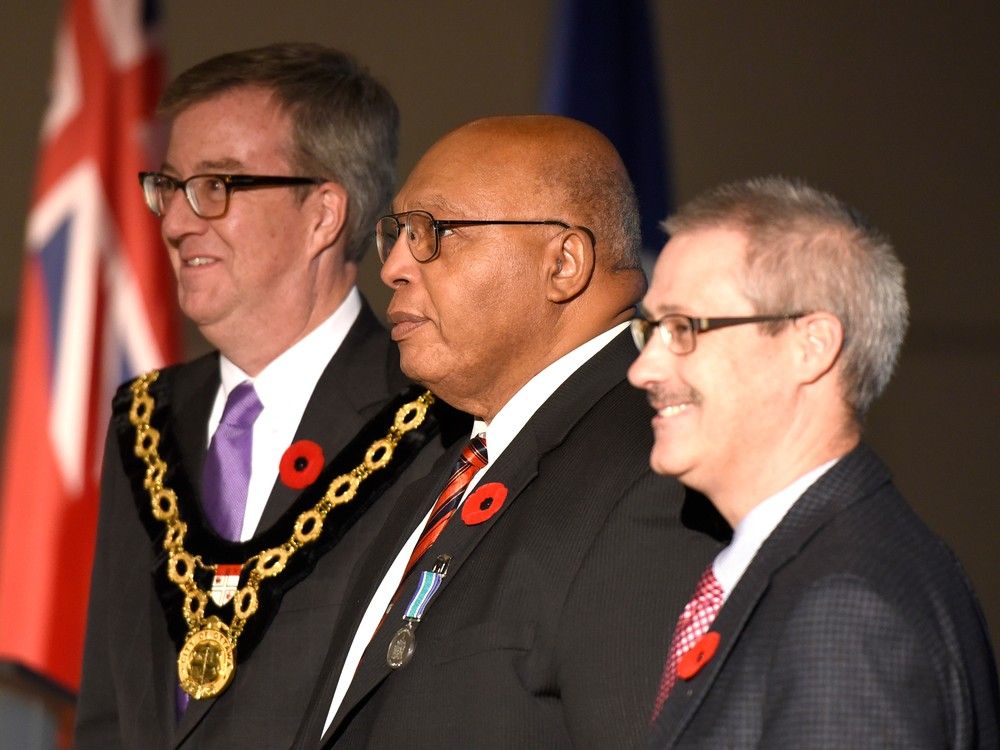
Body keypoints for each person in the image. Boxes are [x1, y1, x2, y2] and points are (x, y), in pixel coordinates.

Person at [291, 115, 729, 749]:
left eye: (434, 232)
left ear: (564, 263)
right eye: (398, 233)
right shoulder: (438, 458)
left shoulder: (656, 471)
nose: (393, 267)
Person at [75, 44, 462, 750]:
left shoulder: (437, 425)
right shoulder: (145, 420)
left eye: (217, 185)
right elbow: (108, 706)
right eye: (169, 185)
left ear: (323, 214)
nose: (175, 221)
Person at [629, 177, 1000, 748]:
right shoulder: (825, 565)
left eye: (683, 328)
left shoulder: (845, 608)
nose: (643, 369)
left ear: (812, 346)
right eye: (650, 329)